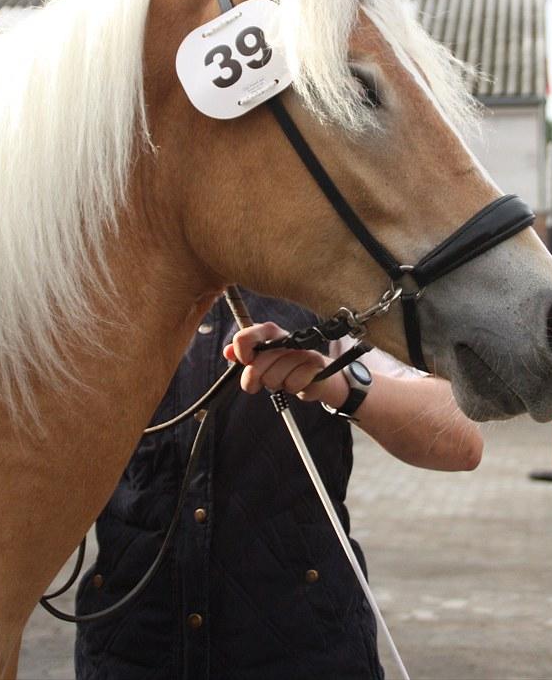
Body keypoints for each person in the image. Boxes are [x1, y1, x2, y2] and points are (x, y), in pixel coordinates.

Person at [75, 289, 483, 679]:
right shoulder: (108, 277)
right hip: (128, 651)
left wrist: (338, 382)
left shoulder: (326, 275)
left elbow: (458, 439)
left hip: (306, 649)